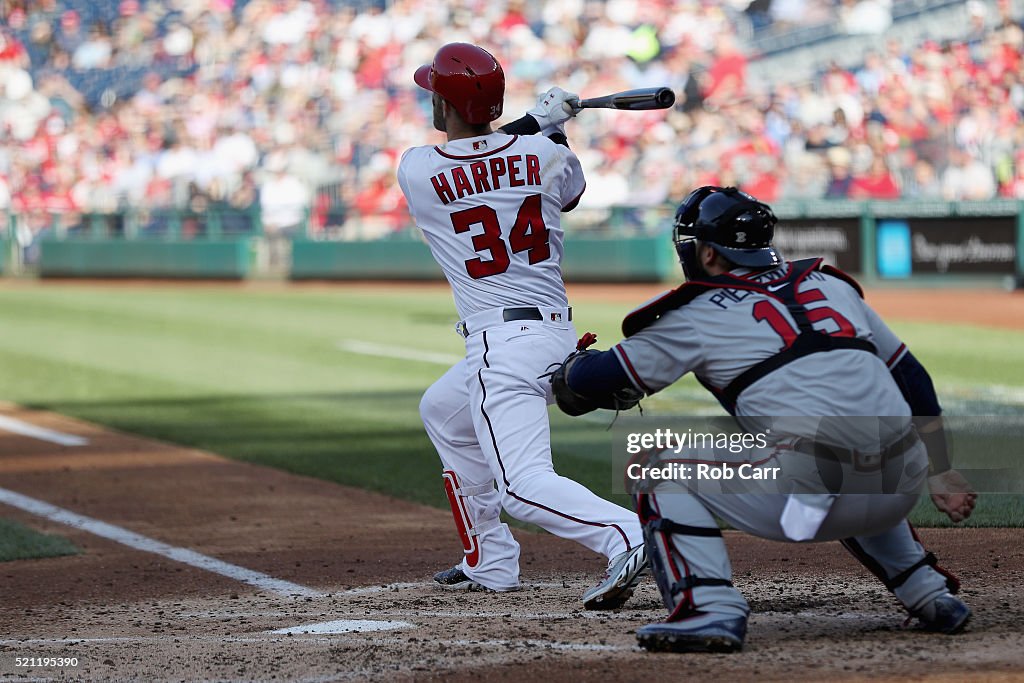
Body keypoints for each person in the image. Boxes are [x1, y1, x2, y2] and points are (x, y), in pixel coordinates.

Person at [549, 186, 977, 651]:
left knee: (654, 466)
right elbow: (911, 376)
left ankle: (708, 610)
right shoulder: (829, 285)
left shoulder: (697, 313)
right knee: (858, 444)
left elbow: (601, 376)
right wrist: (941, 469)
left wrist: (571, 365)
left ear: (708, 254)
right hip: (904, 483)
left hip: (807, 502)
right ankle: (928, 593)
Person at [396, 43, 647, 609]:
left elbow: (479, 153)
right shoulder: (546, 155)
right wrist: (550, 129)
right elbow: (569, 191)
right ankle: (490, 558)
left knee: (521, 485)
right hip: (555, 334)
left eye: (433, 92)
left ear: (445, 104)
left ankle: (629, 534)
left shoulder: (417, 168)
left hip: (501, 346)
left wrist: (541, 120)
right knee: (443, 410)